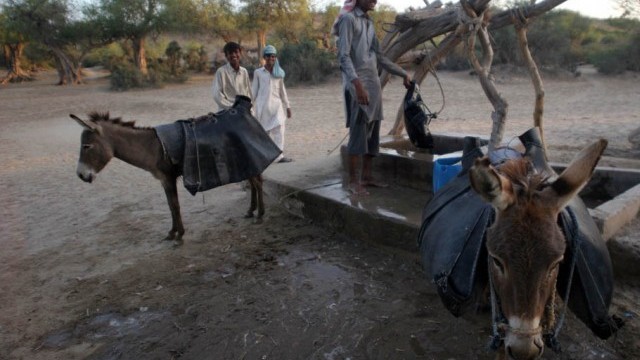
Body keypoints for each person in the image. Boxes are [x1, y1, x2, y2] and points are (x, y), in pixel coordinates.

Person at [334, 0, 412, 195]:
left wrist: (403, 73)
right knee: (358, 132)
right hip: (357, 86)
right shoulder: (348, 20)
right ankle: (353, 181)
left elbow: (381, 57)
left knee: (373, 133)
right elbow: (343, 57)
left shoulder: (369, 23)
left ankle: (367, 177)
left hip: (373, 85)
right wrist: (357, 84)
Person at [251, 45, 293, 163]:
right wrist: (249, 105)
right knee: (264, 133)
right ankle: (264, 156)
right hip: (263, 108)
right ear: (264, 57)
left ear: (275, 58)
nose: (271, 58)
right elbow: (254, 91)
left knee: (280, 130)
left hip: (277, 107)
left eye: (273, 56)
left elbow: (282, 91)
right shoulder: (258, 73)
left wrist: (288, 106)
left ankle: (279, 156)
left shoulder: (279, 74)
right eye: (268, 56)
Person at [212, 42, 252, 111]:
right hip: (227, 111)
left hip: (242, 110)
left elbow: (248, 91)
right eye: (230, 53)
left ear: (240, 53)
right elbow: (217, 95)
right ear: (226, 56)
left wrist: (248, 107)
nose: (234, 55)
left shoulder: (244, 72)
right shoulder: (221, 72)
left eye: (236, 52)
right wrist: (231, 107)